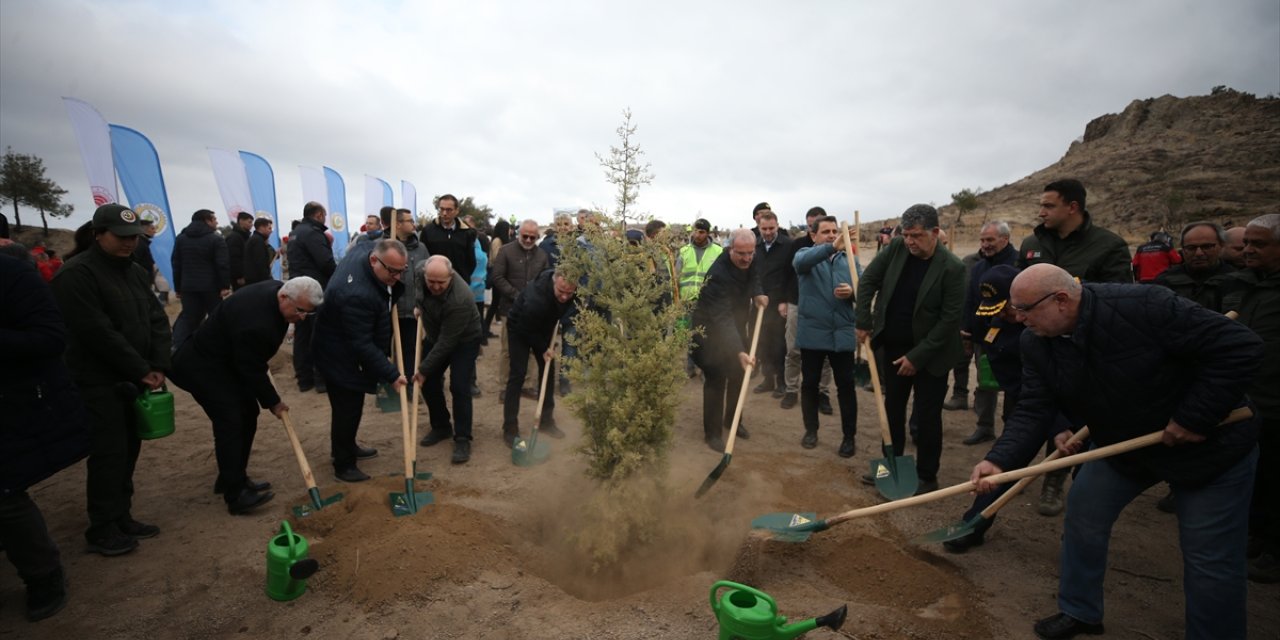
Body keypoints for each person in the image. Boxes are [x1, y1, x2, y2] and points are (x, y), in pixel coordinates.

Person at [971, 264, 1260, 640]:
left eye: (1025, 310)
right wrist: (999, 460)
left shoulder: (1145, 306)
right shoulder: (1036, 340)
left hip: (1211, 449)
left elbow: (1242, 347)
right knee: (1084, 515)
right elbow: (1033, 408)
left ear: (1061, 299)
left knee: (1210, 560)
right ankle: (1080, 611)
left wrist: (1195, 417)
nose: (1018, 319)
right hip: (1123, 443)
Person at [50, 204, 171, 556]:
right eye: (121, 236)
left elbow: (157, 319)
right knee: (109, 452)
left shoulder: (133, 272)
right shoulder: (76, 275)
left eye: (133, 236)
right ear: (99, 234)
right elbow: (96, 333)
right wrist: (140, 368)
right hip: (96, 380)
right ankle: (102, 526)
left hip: (134, 379)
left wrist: (159, 363)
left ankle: (122, 515)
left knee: (129, 448)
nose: (129, 243)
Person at [1015, 179, 1133, 516]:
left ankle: (1079, 485)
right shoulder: (1032, 243)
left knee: (1085, 425)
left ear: (1073, 207)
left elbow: (1118, 301)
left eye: (1049, 205)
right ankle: (1041, 476)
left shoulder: (1107, 246)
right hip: (1043, 346)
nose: (1041, 211)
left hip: (1090, 354)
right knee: (1040, 414)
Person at [169, 277, 322, 514]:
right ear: (284, 297)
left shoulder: (276, 290)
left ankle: (233, 477)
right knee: (230, 421)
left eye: (308, 314)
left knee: (248, 412)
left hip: (227, 362)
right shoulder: (257, 323)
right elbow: (250, 368)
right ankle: (235, 494)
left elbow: (250, 361)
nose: (302, 318)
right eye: (300, 311)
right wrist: (274, 402)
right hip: (201, 367)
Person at [1, 255, 91, 621]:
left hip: (14, 400)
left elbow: (51, 336)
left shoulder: (12, 273)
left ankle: (43, 573)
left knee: (4, 495)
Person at [855, 204, 966, 495]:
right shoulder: (896, 250)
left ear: (935, 233)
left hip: (932, 355)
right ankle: (890, 466)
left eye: (916, 235)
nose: (910, 242)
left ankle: (927, 475)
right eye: (906, 235)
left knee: (927, 416)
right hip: (894, 347)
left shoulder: (953, 268)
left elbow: (948, 322)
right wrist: (863, 321)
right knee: (890, 410)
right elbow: (868, 281)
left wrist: (917, 357)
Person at [313, 239, 408, 482]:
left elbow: (371, 239)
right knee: (347, 408)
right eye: (393, 271)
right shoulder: (357, 295)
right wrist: (392, 374)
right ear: (374, 261)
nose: (397, 277)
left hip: (341, 341)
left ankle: (347, 446)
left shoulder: (366, 249)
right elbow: (362, 344)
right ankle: (344, 465)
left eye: (401, 270)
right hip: (338, 354)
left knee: (351, 407)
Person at [1222, 213, 1280, 584]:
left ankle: (1275, 547)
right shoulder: (1237, 284)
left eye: (1258, 244)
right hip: (1241, 399)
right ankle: (1256, 534)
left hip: (1276, 400)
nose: (1248, 250)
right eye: (1246, 244)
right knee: (1253, 474)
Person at [691, 229, 765, 451]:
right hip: (709, 330)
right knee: (716, 378)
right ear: (730, 248)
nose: (746, 258)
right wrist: (738, 350)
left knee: (739, 375)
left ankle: (733, 421)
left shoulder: (750, 259)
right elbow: (722, 318)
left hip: (734, 324)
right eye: (741, 253)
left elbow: (755, 276)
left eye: (750, 253)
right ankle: (712, 434)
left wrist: (758, 293)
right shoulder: (718, 275)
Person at [793, 216, 858, 456]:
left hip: (841, 333)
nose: (831, 235)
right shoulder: (805, 257)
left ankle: (849, 437)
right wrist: (832, 247)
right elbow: (800, 264)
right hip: (813, 334)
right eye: (826, 232)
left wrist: (852, 292)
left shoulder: (850, 260)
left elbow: (862, 290)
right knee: (810, 384)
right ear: (814, 236)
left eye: (834, 231)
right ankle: (811, 430)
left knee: (846, 386)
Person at [413, 256, 483, 464]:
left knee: (459, 386)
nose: (435, 286)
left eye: (440, 283)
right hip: (435, 332)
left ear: (450, 277)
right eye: (431, 281)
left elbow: (446, 343)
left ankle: (462, 438)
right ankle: (441, 426)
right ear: (425, 274)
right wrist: (419, 304)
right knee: (429, 384)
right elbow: (418, 288)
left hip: (464, 339)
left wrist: (423, 369)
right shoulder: (420, 272)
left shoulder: (461, 299)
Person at [957, 221, 1018, 445]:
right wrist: (967, 332)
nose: (985, 245)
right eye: (982, 240)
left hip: (1011, 337)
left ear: (1005, 239)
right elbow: (971, 301)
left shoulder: (1019, 264)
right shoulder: (979, 267)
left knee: (1013, 385)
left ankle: (1011, 433)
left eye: (990, 240)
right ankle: (984, 426)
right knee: (985, 382)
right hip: (984, 336)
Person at [502, 268, 578, 446]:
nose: (565, 297)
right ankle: (510, 428)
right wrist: (543, 348)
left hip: (544, 327)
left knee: (548, 371)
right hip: (519, 327)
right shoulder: (536, 298)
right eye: (561, 292)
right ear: (554, 282)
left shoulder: (569, 289)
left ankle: (546, 421)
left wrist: (547, 346)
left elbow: (568, 308)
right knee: (518, 375)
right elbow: (526, 327)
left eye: (569, 293)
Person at [780, 207, 834, 412]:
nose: (815, 227)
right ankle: (792, 389)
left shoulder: (836, 249)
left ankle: (823, 393)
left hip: (824, 306)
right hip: (797, 303)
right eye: (811, 224)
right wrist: (783, 300)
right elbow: (787, 272)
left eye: (819, 223)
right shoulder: (798, 245)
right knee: (793, 349)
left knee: (825, 353)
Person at [491, 220, 549, 403]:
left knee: (532, 349)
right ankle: (504, 387)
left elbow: (546, 279)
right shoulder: (506, 251)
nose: (529, 239)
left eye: (533, 237)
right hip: (510, 309)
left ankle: (528, 385)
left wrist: (536, 298)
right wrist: (516, 295)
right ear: (519, 234)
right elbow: (498, 277)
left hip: (533, 310)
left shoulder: (541, 255)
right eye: (525, 236)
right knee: (508, 350)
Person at [287, 201, 337, 393]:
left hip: (296, 288)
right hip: (313, 289)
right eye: (324, 215)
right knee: (319, 333)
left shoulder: (295, 233)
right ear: (318, 215)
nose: (325, 219)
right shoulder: (313, 233)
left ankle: (304, 378)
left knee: (302, 334)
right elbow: (325, 262)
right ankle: (321, 379)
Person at [170, 209, 230, 349]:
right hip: (211, 287)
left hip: (188, 287)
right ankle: (218, 346)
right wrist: (224, 286)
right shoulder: (216, 239)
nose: (217, 222)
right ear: (207, 220)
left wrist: (178, 287)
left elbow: (176, 264)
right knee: (216, 317)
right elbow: (222, 264)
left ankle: (177, 346)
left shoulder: (181, 238)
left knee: (188, 317)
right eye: (214, 219)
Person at [751, 210, 793, 396]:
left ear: (777, 225)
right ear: (759, 227)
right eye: (764, 228)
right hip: (759, 302)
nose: (767, 232)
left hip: (778, 304)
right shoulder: (755, 245)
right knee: (762, 343)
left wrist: (784, 300)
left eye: (771, 228)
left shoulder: (788, 245)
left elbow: (791, 275)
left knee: (779, 344)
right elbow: (751, 273)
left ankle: (782, 382)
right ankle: (768, 380)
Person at [677, 218, 724, 377]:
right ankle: (690, 367)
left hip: (709, 302)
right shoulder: (684, 251)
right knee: (690, 335)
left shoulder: (718, 251)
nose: (697, 234)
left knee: (707, 335)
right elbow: (676, 277)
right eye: (695, 231)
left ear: (708, 233)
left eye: (702, 232)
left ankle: (706, 369)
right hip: (688, 301)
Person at [391, 207, 429, 376]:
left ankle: (410, 384)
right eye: (410, 221)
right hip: (391, 309)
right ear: (398, 224)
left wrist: (422, 302)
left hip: (412, 311)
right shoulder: (386, 246)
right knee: (387, 349)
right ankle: (389, 387)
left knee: (412, 349)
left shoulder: (421, 248)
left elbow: (426, 276)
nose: (414, 224)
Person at [420, 194, 477, 283]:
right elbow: (423, 258)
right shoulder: (428, 231)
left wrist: (463, 277)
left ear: (456, 211)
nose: (444, 213)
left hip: (459, 283)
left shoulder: (466, 233)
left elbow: (471, 261)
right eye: (442, 209)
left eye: (449, 210)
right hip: (433, 283)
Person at [225, 211, 254, 291]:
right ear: (241, 221)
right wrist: (239, 276)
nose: (251, 224)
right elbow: (234, 258)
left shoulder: (245, 237)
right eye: (249, 222)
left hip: (247, 275)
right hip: (240, 278)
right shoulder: (234, 237)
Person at [243, 217, 276, 285]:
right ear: (261, 227)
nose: (271, 231)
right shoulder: (257, 241)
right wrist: (267, 279)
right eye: (269, 228)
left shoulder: (256, 239)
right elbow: (260, 262)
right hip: (257, 281)